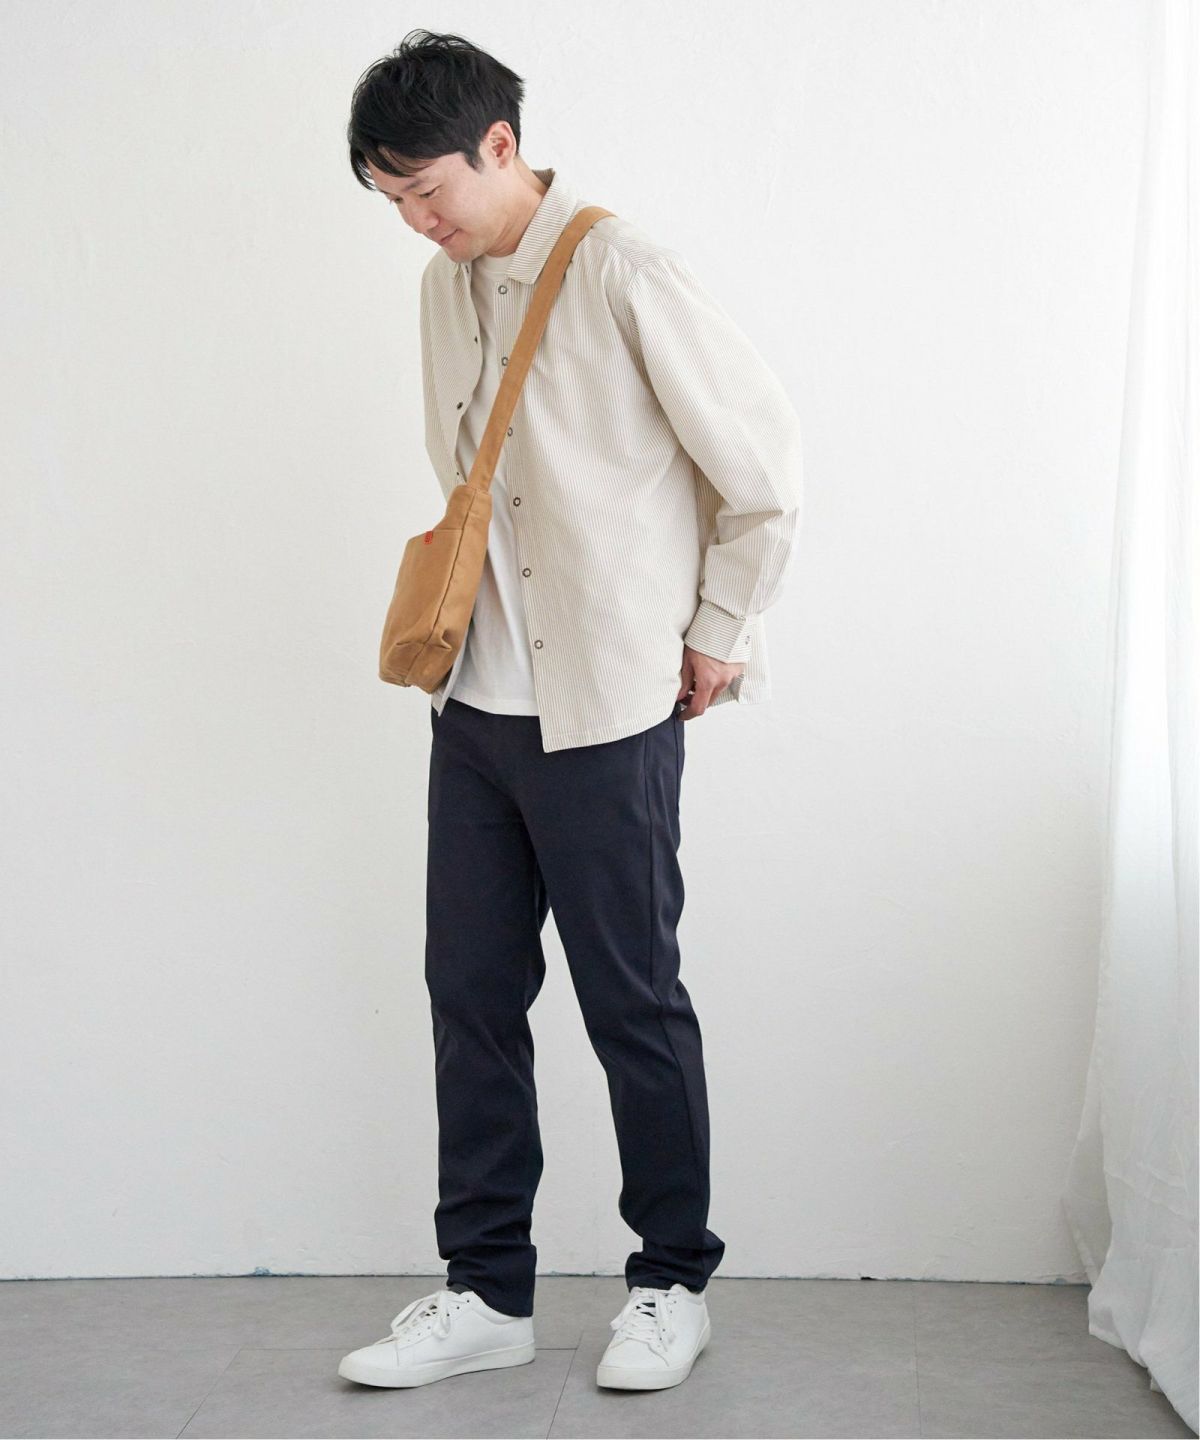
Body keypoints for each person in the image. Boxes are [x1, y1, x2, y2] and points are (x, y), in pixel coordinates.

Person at [338, 29, 803, 1394]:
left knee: (631, 1001)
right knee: (471, 998)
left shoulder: (623, 269)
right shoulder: (442, 290)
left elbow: (763, 473)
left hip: (606, 702)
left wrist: (717, 632)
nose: (417, 221)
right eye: (393, 201)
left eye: (428, 189)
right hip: (474, 702)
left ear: (500, 144)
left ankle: (671, 1281)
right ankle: (487, 1290)